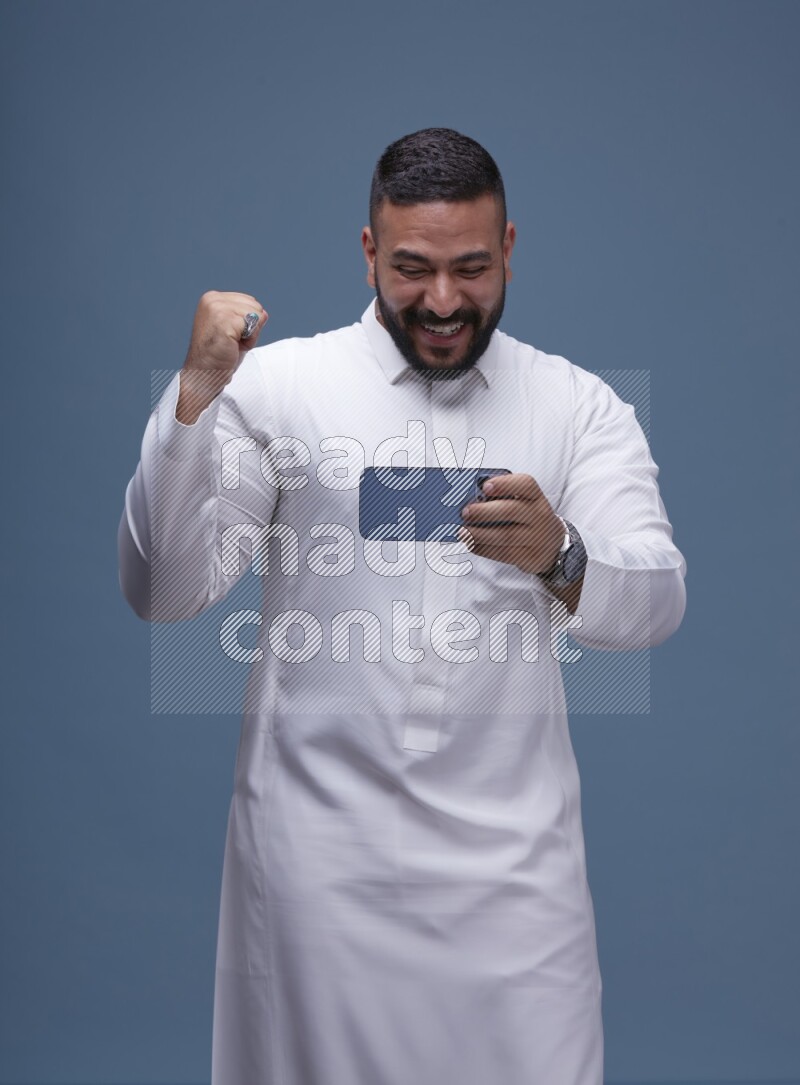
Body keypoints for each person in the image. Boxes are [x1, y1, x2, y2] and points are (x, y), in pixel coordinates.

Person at [118, 128, 686, 1084]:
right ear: (369, 250)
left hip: (517, 889)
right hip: (317, 882)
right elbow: (166, 593)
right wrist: (193, 400)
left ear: (509, 248)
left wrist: (562, 557)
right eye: (413, 268)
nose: (443, 301)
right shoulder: (278, 388)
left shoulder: (580, 407)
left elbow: (658, 595)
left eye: (471, 267)